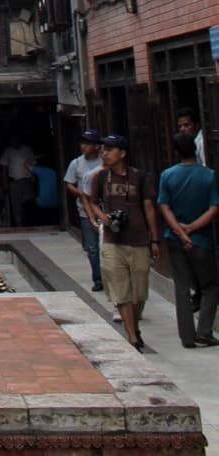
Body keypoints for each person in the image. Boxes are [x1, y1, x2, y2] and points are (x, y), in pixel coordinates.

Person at [85, 133, 160, 352]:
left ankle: (134, 325)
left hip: (138, 239)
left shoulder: (140, 177)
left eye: (109, 150)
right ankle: (132, 335)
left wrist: (154, 239)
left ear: (123, 153)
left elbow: (149, 209)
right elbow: (92, 201)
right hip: (112, 240)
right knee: (120, 290)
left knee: (139, 291)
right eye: (103, 150)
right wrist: (102, 217)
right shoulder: (100, 178)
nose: (104, 154)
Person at [157, 132, 219, 349]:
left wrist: (181, 232)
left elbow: (164, 207)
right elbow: (214, 208)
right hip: (201, 239)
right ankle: (204, 331)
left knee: (182, 287)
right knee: (211, 286)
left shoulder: (167, 175)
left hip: (174, 238)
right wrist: (191, 229)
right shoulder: (209, 176)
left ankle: (187, 336)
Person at [64, 129, 103, 292]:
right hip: (85, 210)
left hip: (104, 209)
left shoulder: (104, 161)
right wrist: (81, 194)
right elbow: (69, 183)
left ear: (96, 146)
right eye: (82, 143)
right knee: (92, 248)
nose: (83, 146)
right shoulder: (77, 163)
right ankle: (98, 279)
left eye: (87, 143)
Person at [0, 137, 35, 227]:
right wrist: (5, 183)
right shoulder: (8, 151)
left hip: (27, 181)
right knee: (16, 206)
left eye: (16, 140)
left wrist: (33, 178)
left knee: (28, 204)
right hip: (14, 182)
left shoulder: (27, 149)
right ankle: (19, 226)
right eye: (12, 141)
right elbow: (4, 167)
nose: (14, 142)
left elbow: (33, 164)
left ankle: (30, 224)